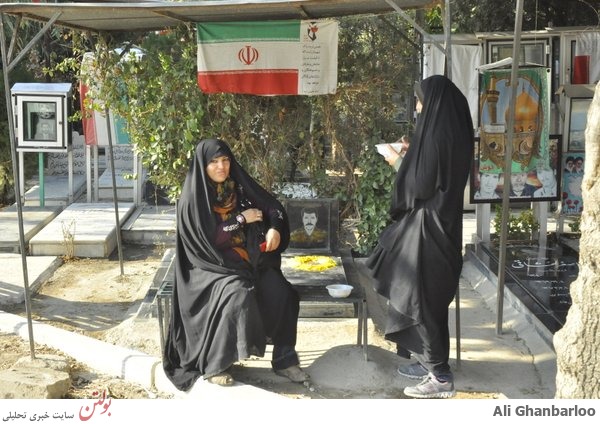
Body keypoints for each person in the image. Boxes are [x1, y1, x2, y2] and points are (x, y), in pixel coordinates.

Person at [162, 138, 308, 391]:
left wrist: (274, 228)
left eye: (225, 160)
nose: (221, 167)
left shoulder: (237, 186)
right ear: (203, 166)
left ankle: (284, 360)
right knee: (237, 294)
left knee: (283, 293)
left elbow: (273, 206)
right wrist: (240, 219)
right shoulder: (193, 197)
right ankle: (218, 364)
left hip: (245, 262)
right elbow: (211, 239)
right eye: (214, 162)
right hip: (208, 267)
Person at [365, 75, 473, 399]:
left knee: (420, 300)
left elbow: (419, 185)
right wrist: (413, 155)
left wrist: (397, 160)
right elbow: (433, 172)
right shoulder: (453, 132)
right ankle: (429, 362)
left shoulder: (437, 135)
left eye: (420, 100)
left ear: (433, 102)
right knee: (429, 301)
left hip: (428, 232)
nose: (417, 106)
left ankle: (440, 376)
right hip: (442, 227)